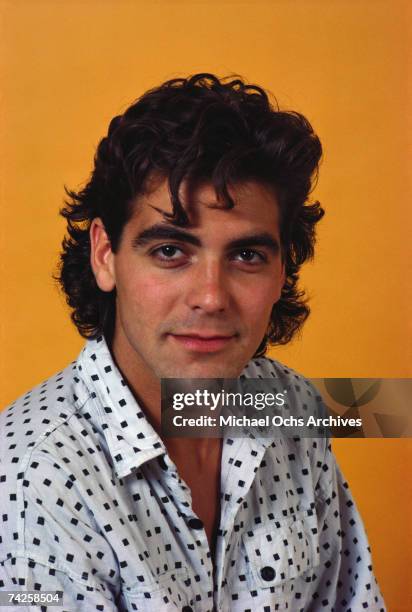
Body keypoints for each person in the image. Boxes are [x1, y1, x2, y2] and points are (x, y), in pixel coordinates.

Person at [0, 74, 385, 611]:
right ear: (106, 255)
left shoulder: (293, 410)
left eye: (247, 256)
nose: (210, 297)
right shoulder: (33, 477)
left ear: (282, 272)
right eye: (170, 252)